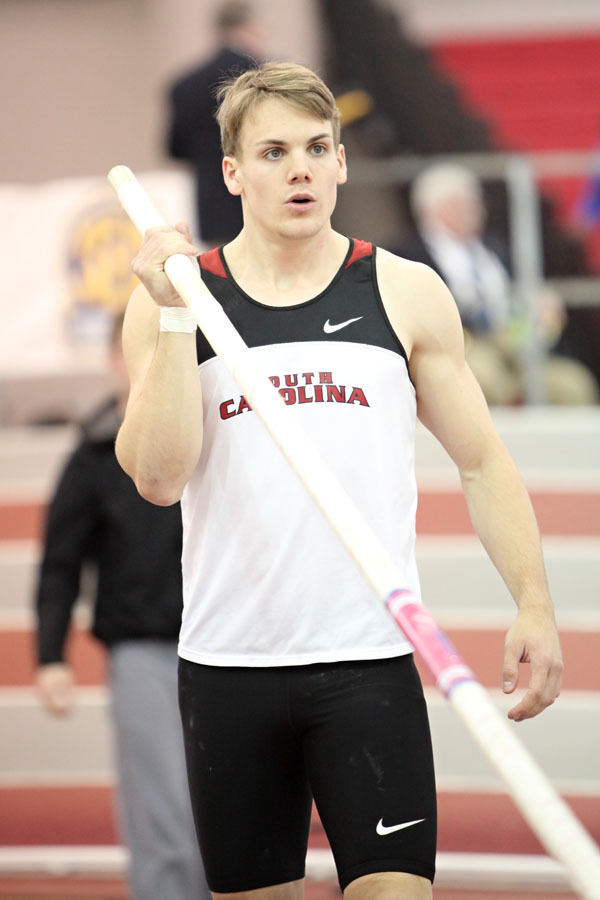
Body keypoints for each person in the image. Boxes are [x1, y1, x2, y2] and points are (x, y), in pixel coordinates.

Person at [116, 62, 563, 900]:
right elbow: (158, 478)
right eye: (275, 151)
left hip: (369, 665)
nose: (301, 170)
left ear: (343, 162)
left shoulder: (402, 291)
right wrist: (177, 315)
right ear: (232, 172)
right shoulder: (175, 301)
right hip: (228, 669)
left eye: (318, 148)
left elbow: (481, 460)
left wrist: (534, 602)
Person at [34, 314, 210, 900]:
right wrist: (50, 657)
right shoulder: (92, 454)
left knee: (230, 824)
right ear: (116, 360)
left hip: (228, 648)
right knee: (166, 826)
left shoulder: (215, 429)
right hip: (145, 655)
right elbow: (61, 561)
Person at [395, 161, 598, 405]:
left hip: (516, 339)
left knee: (571, 383)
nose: (474, 210)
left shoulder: (495, 248)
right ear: (431, 208)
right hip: (463, 345)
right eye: (462, 203)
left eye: (475, 202)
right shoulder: (407, 254)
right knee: (484, 378)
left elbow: (523, 292)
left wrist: (542, 307)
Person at [166, 0, 262, 245]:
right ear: (249, 28)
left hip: (213, 210)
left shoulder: (186, 85)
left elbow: (174, 149)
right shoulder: (266, 77)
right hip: (261, 203)